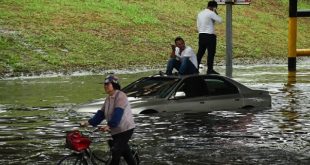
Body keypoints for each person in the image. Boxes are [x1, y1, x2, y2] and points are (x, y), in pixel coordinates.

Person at [80, 75, 136, 165]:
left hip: (125, 129)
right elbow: (101, 113)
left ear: (114, 84)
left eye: (107, 84)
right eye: (104, 84)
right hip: (115, 130)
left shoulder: (120, 96)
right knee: (126, 153)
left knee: (116, 151)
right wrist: (88, 122)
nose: (105, 86)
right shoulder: (108, 98)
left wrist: (109, 125)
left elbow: (118, 113)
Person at [196, 0, 222, 75]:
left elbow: (198, 25)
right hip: (210, 35)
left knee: (200, 52)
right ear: (214, 7)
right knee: (211, 53)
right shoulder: (211, 13)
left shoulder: (200, 13)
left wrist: (201, 31)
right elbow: (220, 20)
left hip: (201, 35)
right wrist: (215, 12)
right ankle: (210, 69)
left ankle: (195, 68)